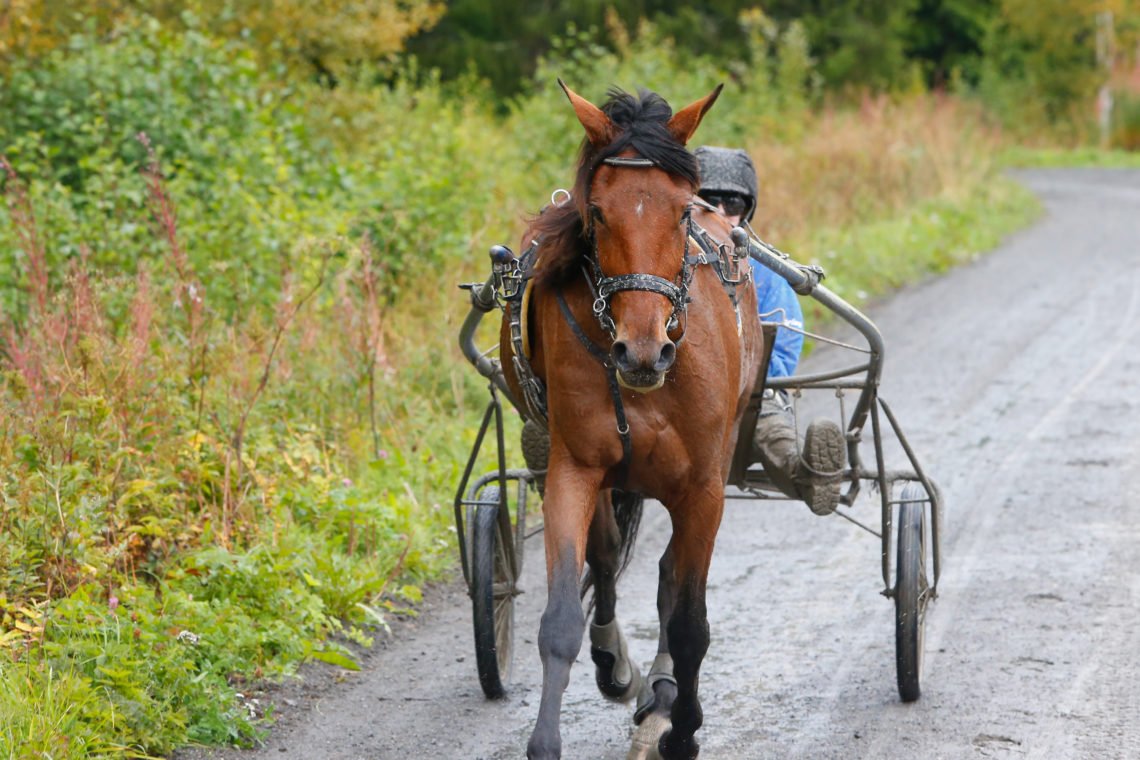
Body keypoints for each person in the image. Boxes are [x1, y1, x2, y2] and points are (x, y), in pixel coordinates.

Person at [694, 146, 846, 515]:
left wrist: (755, 385)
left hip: (749, 401)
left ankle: (810, 476)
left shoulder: (764, 269)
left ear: (748, 212)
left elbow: (784, 341)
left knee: (770, 429)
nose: (722, 213)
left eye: (733, 204)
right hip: (679, 401)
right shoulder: (666, 263)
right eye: (709, 202)